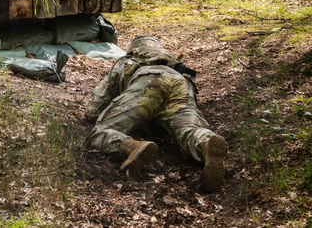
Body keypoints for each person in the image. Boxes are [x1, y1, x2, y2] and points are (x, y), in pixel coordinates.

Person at [84, 35, 227, 192]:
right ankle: (206, 144)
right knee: (189, 128)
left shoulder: (128, 61)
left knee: (100, 131)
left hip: (150, 81)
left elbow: (93, 110)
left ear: (133, 50)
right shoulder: (176, 66)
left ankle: (131, 146)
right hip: (181, 84)